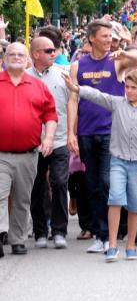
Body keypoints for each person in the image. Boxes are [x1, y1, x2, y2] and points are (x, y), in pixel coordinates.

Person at [63, 69, 137, 262]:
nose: (129, 91)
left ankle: (130, 245)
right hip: (118, 161)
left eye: (133, 88)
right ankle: (112, 244)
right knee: (115, 198)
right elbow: (98, 95)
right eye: (127, 87)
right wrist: (78, 89)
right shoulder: (117, 103)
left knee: (134, 205)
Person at [67, 18, 137, 253]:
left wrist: (125, 48)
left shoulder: (117, 61)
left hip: (112, 131)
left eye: (110, 36)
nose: (108, 40)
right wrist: (71, 132)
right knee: (92, 183)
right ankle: (100, 235)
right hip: (86, 131)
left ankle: (111, 232)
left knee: (106, 181)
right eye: (104, 36)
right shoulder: (78, 65)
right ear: (91, 38)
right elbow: (73, 99)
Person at [0, 42, 57, 258]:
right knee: (0, 194)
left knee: (23, 198)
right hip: (1, 154)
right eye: (11, 54)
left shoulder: (37, 86)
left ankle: (18, 239)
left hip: (28, 154)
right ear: (5, 58)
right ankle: (0, 233)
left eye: (20, 55)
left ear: (27, 60)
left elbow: (50, 115)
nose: (16, 57)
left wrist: (49, 137)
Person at [27, 37, 71, 250]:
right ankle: (40, 231)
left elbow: (73, 106)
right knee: (37, 186)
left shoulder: (64, 74)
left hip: (60, 139)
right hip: (33, 142)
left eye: (55, 50)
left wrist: (73, 134)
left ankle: (60, 230)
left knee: (60, 183)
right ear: (36, 54)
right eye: (49, 50)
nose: (54, 53)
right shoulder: (25, 77)